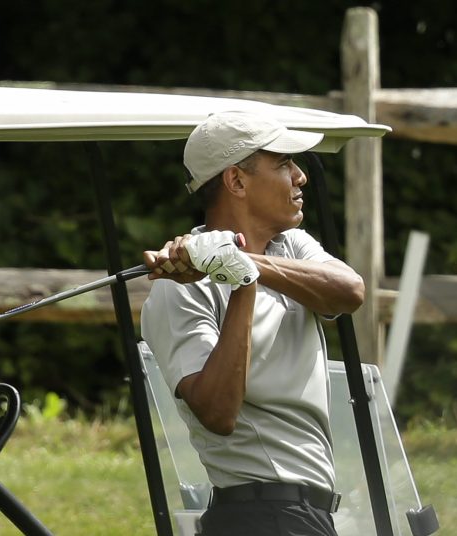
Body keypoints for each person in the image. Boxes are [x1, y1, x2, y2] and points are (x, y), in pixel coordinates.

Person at [140, 110, 365, 536]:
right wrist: (242, 281)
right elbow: (218, 412)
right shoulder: (178, 288)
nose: (301, 177)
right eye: (283, 163)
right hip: (258, 516)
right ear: (236, 182)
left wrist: (244, 263)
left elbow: (349, 291)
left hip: (306, 516)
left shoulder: (291, 245)